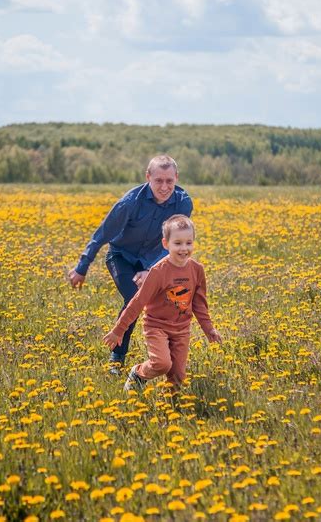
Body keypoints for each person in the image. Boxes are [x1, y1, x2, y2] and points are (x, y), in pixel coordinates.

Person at [68, 155, 192, 370]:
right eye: (158, 181)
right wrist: (82, 267)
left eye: (169, 181)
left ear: (177, 178)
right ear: (148, 177)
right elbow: (102, 234)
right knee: (135, 298)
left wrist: (150, 271)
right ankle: (117, 357)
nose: (164, 187)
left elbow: (174, 243)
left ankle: (168, 356)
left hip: (154, 258)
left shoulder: (183, 203)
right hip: (121, 256)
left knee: (172, 301)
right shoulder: (130, 203)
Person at [103, 215, 222, 391]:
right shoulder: (158, 271)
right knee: (161, 363)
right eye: (178, 243)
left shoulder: (197, 270)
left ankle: (171, 409)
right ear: (166, 244)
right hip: (156, 326)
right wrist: (118, 330)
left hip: (182, 330)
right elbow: (138, 301)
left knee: (178, 378)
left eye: (188, 243)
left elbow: (199, 304)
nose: (184, 248)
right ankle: (138, 373)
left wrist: (209, 328)